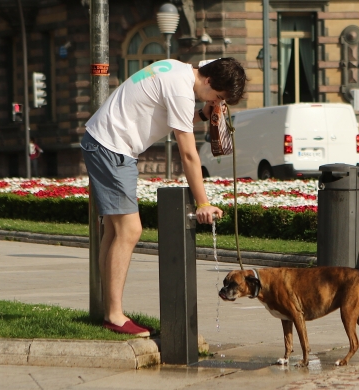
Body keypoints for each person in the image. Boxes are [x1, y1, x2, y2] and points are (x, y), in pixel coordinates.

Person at [81, 58, 246, 336]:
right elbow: (189, 154)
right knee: (130, 231)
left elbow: (175, 113)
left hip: (107, 143)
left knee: (114, 231)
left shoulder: (178, 68)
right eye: (218, 97)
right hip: (111, 148)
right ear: (208, 81)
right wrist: (203, 202)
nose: (217, 102)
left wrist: (205, 114)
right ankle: (114, 315)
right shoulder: (181, 89)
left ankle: (109, 310)